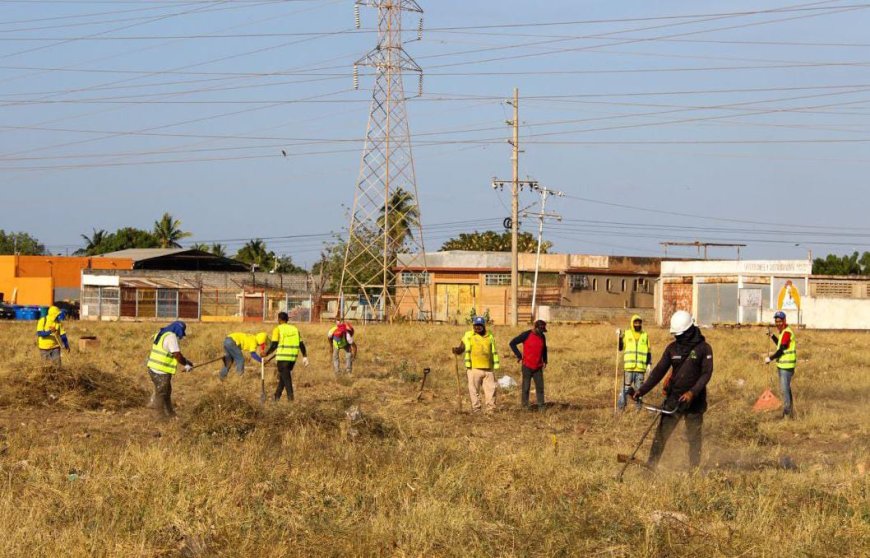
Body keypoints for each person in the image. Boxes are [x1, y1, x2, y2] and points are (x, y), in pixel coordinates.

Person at [630, 310, 713, 469]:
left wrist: (692, 392)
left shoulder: (704, 348)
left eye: (680, 335)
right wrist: (641, 390)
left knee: (694, 438)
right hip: (674, 399)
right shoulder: (672, 348)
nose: (677, 338)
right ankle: (651, 467)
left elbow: (706, 374)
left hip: (695, 401)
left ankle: (694, 470)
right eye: (676, 335)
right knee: (661, 435)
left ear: (689, 331)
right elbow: (658, 371)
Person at [452, 316, 500, 414]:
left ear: (484, 326)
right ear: (473, 326)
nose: (477, 327)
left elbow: (493, 351)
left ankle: (491, 410)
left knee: (491, 390)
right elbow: (461, 348)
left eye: (479, 325)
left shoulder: (490, 336)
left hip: (488, 369)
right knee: (474, 391)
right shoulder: (468, 335)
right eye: (475, 325)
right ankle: (476, 410)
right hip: (474, 368)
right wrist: (457, 350)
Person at [146, 321, 193, 419]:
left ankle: (170, 413)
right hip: (161, 370)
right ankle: (160, 416)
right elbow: (176, 354)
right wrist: (186, 364)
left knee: (166, 391)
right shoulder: (171, 337)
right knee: (162, 393)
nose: (180, 335)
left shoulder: (161, 333)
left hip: (153, 368)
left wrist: (186, 361)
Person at [264, 312, 309, 402]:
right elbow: (301, 344)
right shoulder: (295, 329)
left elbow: (274, 344)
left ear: (279, 319)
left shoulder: (278, 329)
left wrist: (266, 353)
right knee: (283, 378)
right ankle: (276, 397)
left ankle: (290, 400)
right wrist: (304, 356)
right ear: (287, 319)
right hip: (292, 359)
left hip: (282, 358)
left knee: (287, 380)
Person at [509, 319, 548, 411]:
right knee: (526, 388)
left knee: (540, 388)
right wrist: (519, 355)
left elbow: (544, 349)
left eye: (543, 330)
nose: (541, 332)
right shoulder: (526, 334)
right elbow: (512, 343)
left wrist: (545, 360)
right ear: (535, 327)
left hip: (538, 367)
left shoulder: (542, 336)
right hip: (527, 366)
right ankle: (525, 407)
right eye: (540, 330)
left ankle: (541, 407)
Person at [765, 310, 797, 418]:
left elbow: (781, 350)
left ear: (784, 321)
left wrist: (770, 358)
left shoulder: (787, 332)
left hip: (786, 367)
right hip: (783, 366)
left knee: (784, 390)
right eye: (776, 321)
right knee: (786, 389)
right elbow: (780, 344)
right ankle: (790, 412)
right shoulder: (783, 332)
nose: (778, 323)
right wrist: (772, 336)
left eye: (780, 321)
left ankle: (787, 415)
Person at [617, 314, 652, 411]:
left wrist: (649, 364)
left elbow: (648, 352)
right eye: (635, 322)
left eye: (639, 322)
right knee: (625, 388)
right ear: (632, 323)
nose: (637, 324)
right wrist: (619, 337)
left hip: (640, 368)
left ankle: (638, 409)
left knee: (639, 390)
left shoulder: (645, 335)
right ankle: (621, 408)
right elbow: (620, 348)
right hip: (629, 368)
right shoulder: (626, 333)